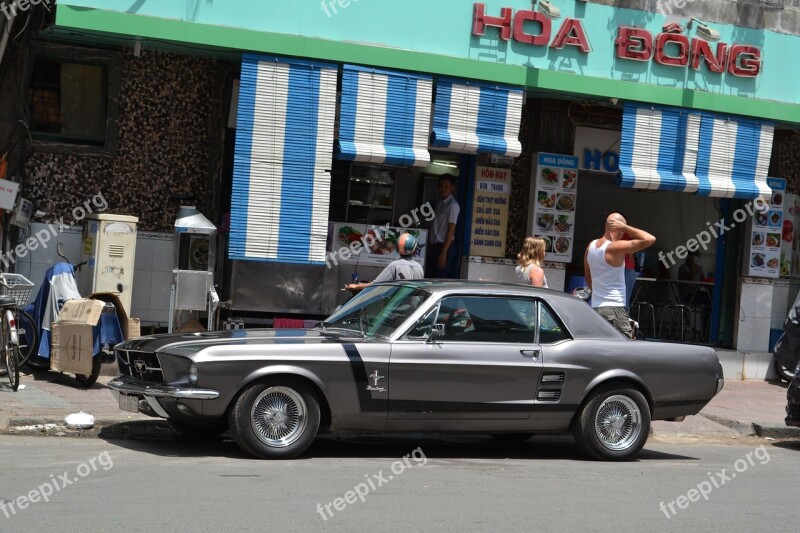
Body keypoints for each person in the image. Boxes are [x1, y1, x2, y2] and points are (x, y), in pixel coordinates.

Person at [584, 213, 656, 338]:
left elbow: (588, 279)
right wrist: (626, 228)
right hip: (614, 307)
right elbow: (650, 239)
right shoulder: (614, 247)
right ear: (618, 228)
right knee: (623, 349)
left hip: (596, 306)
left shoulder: (591, 246)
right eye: (622, 229)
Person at [346, 232, 424, 291]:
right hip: (415, 308)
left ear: (397, 248)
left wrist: (356, 286)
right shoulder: (419, 267)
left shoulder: (395, 266)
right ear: (414, 249)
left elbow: (376, 284)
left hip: (397, 308)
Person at [426, 174, 460, 278]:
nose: (443, 189)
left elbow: (451, 229)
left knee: (439, 278)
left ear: (453, 188)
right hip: (434, 246)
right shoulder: (439, 202)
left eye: (446, 187)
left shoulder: (453, 205)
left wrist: (443, 252)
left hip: (444, 247)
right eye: (441, 187)